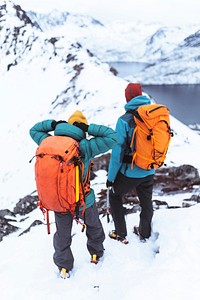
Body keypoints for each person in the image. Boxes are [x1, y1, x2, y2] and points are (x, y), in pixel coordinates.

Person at [30, 110, 118, 277]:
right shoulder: (84, 147)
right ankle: (96, 254)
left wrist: (52, 125)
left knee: (62, 236)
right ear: (81, 129)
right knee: (94, 227)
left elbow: (34, 130)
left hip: (60, 201)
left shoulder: (48, 141)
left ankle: (64, 267)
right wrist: (89, 128)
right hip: (83, 200)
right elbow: (112, 137)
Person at [106, 83, 155, 243]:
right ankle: (145, 233)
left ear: (128, 97)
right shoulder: (153, 115)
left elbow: (117, 153)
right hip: (149, 168)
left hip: (131, 171)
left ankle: (121, 233)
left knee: (114, 196)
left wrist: (111, 178)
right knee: (146, 202)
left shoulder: (124, 120)